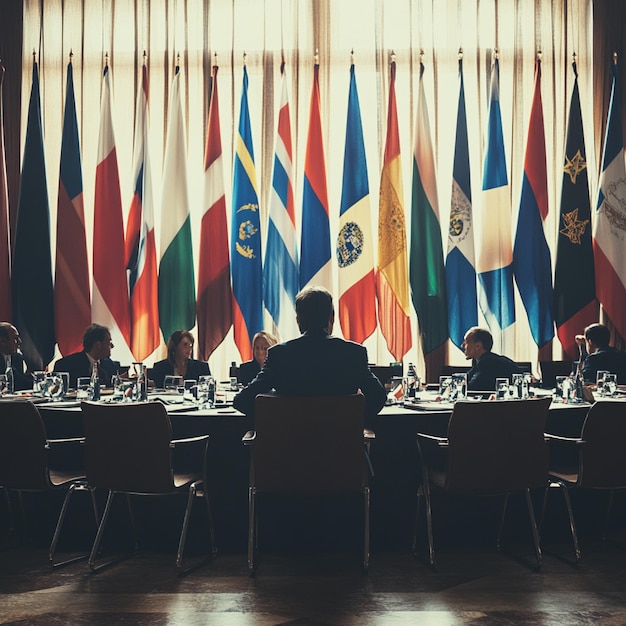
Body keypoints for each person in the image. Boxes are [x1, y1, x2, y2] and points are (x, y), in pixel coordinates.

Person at [233, 286, 387, 419]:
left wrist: (275, 417)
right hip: (341, 450)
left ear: (298, 321)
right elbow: (378, 399)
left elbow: (241, 402)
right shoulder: (353, 353)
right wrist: (353, 419)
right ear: (332, 318)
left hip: (288, 450)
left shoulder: (279, 355)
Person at [53, 323, 121, 389]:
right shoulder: (66, 365)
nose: (112, 346)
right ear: (98, 345)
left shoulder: (110, 364)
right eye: (109, 342)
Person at [462, 326, 521, 391]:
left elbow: (471, 388)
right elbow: (464, 381)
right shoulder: (479, 361)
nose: (462, 346)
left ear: (478, 346)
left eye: (466, 342)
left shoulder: (488, 362)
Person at [0, 322, 33, 391]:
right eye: (16, 338)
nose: (19, 342)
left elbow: (21, 384)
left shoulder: (17, 358)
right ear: (3, 341)